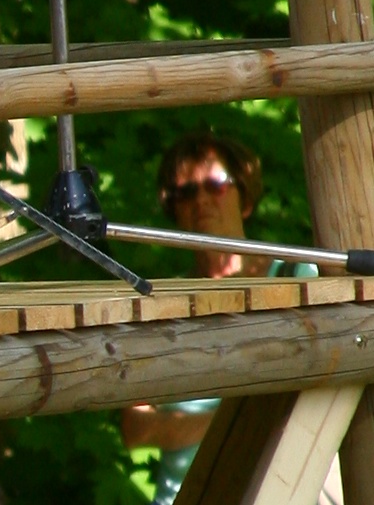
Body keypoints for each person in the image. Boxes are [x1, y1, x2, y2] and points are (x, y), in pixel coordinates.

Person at [121, 130, 322, 505]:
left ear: (244, 197)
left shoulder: (295, 276)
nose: (200, 199)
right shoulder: (160, 304)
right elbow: (136, 429)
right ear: (175, 210)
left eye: (214, 185)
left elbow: (313, 398)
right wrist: (235, 423)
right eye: (186, 192)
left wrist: (187, 428)